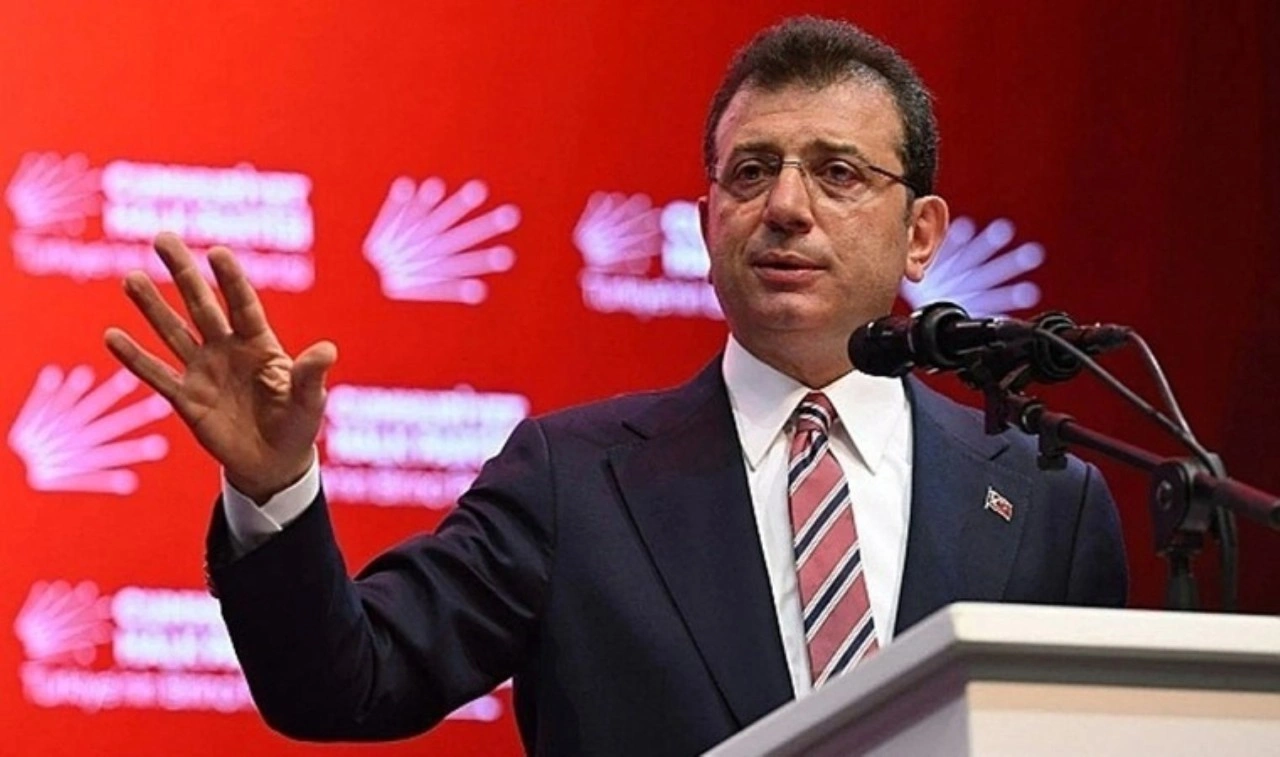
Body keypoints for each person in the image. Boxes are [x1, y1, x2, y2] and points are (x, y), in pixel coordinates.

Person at [105, 16, 1126, 757]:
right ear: (707, 224)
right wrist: (275, 489)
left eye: (838, 173)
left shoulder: (1045, 498)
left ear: (920, 234)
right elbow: (347, 683)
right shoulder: (572, 480)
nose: (785, 205)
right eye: (750, 171)